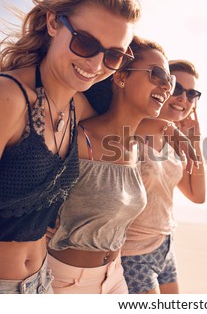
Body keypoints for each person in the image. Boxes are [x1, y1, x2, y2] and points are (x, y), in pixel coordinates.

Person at [0, 0, 140, 294]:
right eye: (86, 43)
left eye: (113, 56)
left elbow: (123, 122)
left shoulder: (78, 105)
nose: (96, 64)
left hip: (42, 282)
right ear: (52, 22)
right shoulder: (9, 98)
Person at [46, 36, 178, 294]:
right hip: (66, 282)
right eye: (157, 74)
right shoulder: (80, 138)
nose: (166, 86)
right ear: (121, 77)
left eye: (169, 81)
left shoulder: (137, 150)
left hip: (115, 277)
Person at [120, 59, 206, 294]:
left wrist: (194, 142)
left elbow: (197, 196)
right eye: (177, 89)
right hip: (133, 252)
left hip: (165, 245)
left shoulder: (173, 140)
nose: (183, 99)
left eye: (192, 94)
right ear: (163, 87)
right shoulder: (134, 130)